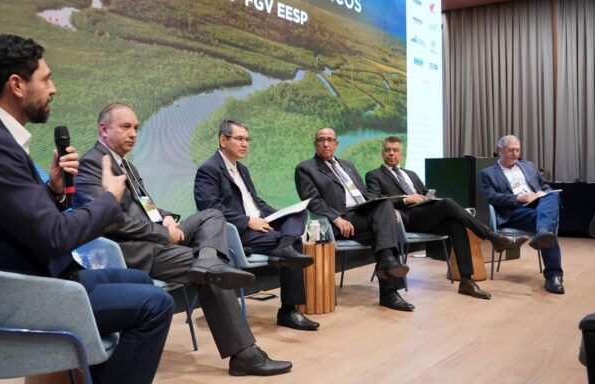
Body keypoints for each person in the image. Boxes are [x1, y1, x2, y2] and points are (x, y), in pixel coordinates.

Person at [0, 34, 174, 384]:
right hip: (21, 295)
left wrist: (52, 189)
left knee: (140, 280)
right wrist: (108, 200)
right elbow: (54, 237)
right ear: (17, 85)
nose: (53, 89)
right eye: (46, 79)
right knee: (155, 305)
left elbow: (17, 218)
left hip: (33, 278)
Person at [73, 104, 292, 377]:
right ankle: (245, 354)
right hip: (135, 251)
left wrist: (166, 218)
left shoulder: (127, 165)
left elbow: (147, 208)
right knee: (211, 274)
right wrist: (164, 233)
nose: (133, 134)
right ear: (103, 129)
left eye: (136, 128)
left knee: (211, 215)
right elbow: (108, 220)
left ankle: (209, 260)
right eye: (125, 127)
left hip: (156, 237)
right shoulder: (93, 163)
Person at [365, 136, 528, 300]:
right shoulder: (374, 175)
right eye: (388, 150)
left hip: (423, 214)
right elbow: (374, 200)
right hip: (404, 219)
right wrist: (405, 199)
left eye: (395, 150)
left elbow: (424, 192)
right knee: (447, 203)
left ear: (402, 153)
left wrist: (429, 196)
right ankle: (493, 237)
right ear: (382, 153)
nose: (391, 154)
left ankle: (466, 281)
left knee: (456, 224)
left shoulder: (411, 174)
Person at [194, 120, 318, 331]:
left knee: (299, 212)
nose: (245, 144)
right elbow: (210, 209)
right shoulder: (209, 170)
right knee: (294, 244)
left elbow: (255, 202)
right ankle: (288, 310)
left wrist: (278, 214)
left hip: (259, 224)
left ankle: (284, 247)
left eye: (247, 140)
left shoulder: (241, 169)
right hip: (238, 232)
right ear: (223, 140)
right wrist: (247, 221)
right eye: (239, 139)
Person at [294, 127, 413, 311]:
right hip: (339, 221)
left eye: (329, 139)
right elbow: (312, 201)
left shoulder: (348, 165)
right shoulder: (306, 168)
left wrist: (389, 212)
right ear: (315, 143)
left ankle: (388, 265)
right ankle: (390, 289)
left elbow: (365, 195)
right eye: (321, 140)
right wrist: (336, 218)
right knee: (383, 230)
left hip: (360, 213)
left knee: (386, 207)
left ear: (336, 143)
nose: (325, 143)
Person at [479, 135, 565, 294]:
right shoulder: (487, 173)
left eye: (517, 150)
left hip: (537, 206)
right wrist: (516, 197)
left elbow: (545, 186)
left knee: (553, 195)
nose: (515, 153)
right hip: (514, 212)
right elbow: (491, 197)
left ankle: (544, 233)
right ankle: (553, 275)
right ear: (500, 150)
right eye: (511, 150)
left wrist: (539, 193)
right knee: (548, 224)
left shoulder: (529, 166)